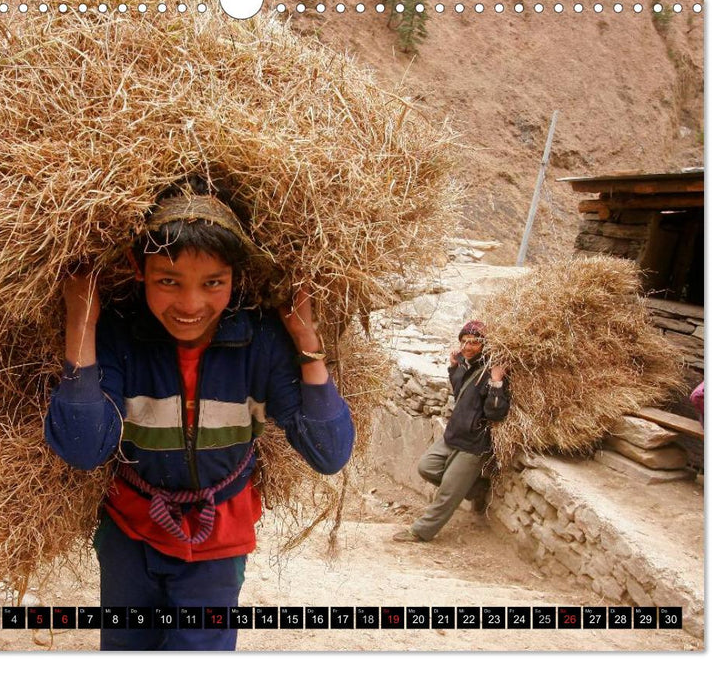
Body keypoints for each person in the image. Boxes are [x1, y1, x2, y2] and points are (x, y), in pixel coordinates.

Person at [44, 191, 355, 650]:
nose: (190, 305)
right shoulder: (120, 333)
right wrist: (83, 320)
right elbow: (82, 447)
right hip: (130, 532)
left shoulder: (260, 341)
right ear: (139, 269)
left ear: (236, 277)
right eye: (169, 281)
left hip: (219, 540)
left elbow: (330, 452)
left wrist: (306, 340)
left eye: (213, 283)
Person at [392, 320, 510, 543]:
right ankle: (476, 489)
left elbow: (496, 414)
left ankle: (420, 531)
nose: (468, 346)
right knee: (426, 467)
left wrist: (496, 382)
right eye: (464, 341)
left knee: (447, 492)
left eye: (474, 342)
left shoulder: (491, 372)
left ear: (484, 344)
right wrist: (454, 366)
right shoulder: (469, 366)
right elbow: (459, 391)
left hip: (473, 443)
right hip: (453, 436)